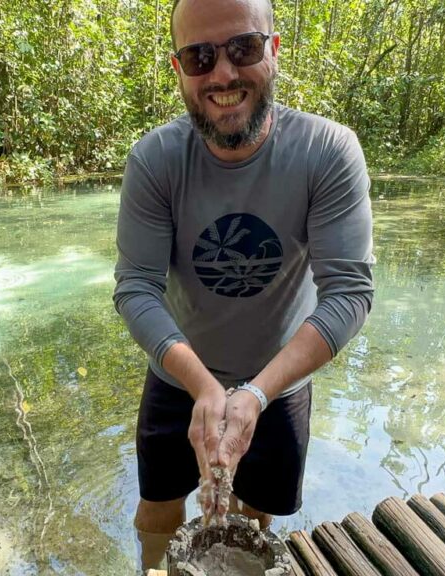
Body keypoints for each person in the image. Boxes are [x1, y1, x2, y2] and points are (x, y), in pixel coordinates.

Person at [112, 0, 374, 570]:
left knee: (254, 517)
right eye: (200, 56)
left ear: (273, 51)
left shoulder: (328, 152)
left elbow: (349, 291)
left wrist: (258, 393)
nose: (224, 73)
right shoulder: (154, 160)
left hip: (278, 379)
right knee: (158, 506)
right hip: (177, 375)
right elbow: (136, 287)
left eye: (243, 49)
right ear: (179, 68)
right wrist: (203, 386)